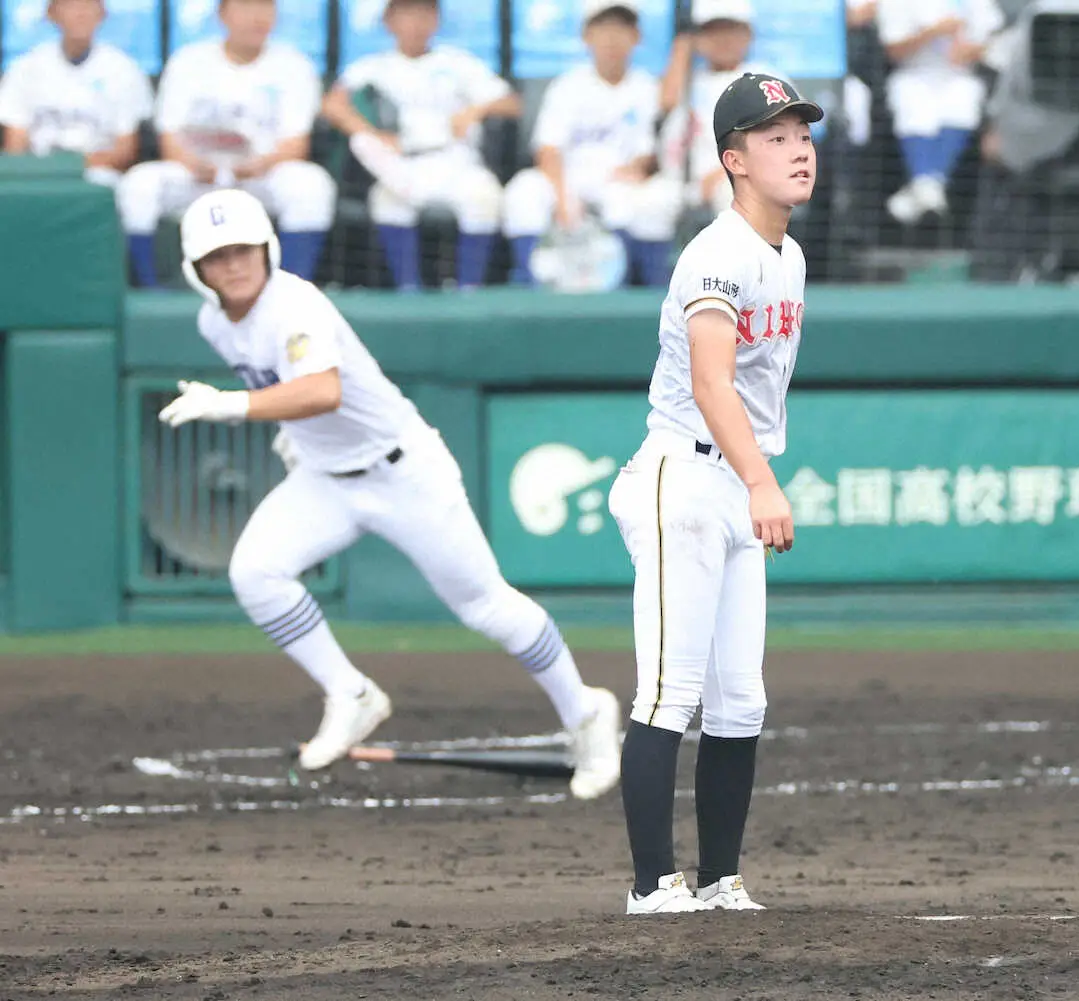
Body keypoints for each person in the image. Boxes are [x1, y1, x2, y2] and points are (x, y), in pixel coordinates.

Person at [156, 187, 622, 800]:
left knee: (486, 606)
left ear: (267, 247)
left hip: (403, 472)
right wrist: (291, 434)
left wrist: (231, 405)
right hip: (326, 477)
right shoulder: (214, 320)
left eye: (243, 249)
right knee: (256, 572)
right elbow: (297, 398)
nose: (233, 264)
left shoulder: (295, 304)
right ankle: (351, 693)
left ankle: (586, 712)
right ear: (197, 271)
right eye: (217, 256)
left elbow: (322, 390)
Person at [607, 73, 819, 914]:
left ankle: (721, 877)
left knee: (741, 696)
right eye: (774, 136)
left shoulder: (788, 254)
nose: (798, 147)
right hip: (683, 477)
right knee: (669, 687)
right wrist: (764, 479)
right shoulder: (717, 252)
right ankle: (653, 884)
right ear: (733, 160)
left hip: (732, 481)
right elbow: (710, 380)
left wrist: (754, 478)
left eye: (802, 131)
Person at [117, 0, 335, 288]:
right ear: (222, 14)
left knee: (311, 185)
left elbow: (297, 144)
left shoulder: (294, 65)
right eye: (246, 7)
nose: (257, 17)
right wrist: (193, 164)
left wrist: (259, 165)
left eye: (265, 7)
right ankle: (149, 287)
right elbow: (169, 138)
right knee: (138, 184)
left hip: (260, 174)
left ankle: (291, 289)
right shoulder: (189, 61)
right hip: (197, 174)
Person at [322, 0, 521, 290]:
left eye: (424, 13)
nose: (415, 22)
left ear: (437, 19)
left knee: (484, 196)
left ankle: (469, 288)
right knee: (387, 197)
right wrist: (371, 133)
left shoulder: (458, 63)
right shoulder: (375, 66)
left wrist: (475, 110)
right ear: (388, 21)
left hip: (455, 159)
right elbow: (332, 105)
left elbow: (512, 103)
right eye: (406, 13)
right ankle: (408, 288)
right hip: (402, 161)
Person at [502, 0, 683, 287]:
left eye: (621, 28)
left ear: (636, 36)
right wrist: (563, 198)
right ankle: (531, 285)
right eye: (603, 28)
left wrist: (638, 168)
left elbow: (648, 153)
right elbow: (547, 149)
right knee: (522, 192)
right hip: (568, 177)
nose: (612, 38)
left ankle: (634, 290)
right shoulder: (568, 85)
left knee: (643, 199)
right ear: (586, 35)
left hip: (616, 181)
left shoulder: (645, 86)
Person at [876, 0, 1004, 223]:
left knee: (963, 102)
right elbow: (893, 49)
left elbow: (994, 38)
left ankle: (923, 188)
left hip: (961, 74)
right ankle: (930, 188)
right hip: (913, 73)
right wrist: (933, 32)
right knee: (912, 105)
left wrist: (970, 50)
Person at [0, 0, 152, 187]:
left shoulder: (124, 69)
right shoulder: (25, 68)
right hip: (38, 171)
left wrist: (72, 166)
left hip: (97, 172)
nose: (80, 14)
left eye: (88, 6)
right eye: (70, 6)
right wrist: (42, 170)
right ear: (51, 13)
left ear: (102, 13)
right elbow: (15, 146)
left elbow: (126, 150)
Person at [658, 0, 777, 217]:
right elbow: (666, 103)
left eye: (730, 30)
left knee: (733, 196)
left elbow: (779, 144)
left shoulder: (764, 78)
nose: (722, 39)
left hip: (736, 178)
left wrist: (724, 173)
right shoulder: (690, 78)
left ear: (748, 33)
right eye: (712, 31)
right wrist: (683, 48)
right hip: (680, 181)